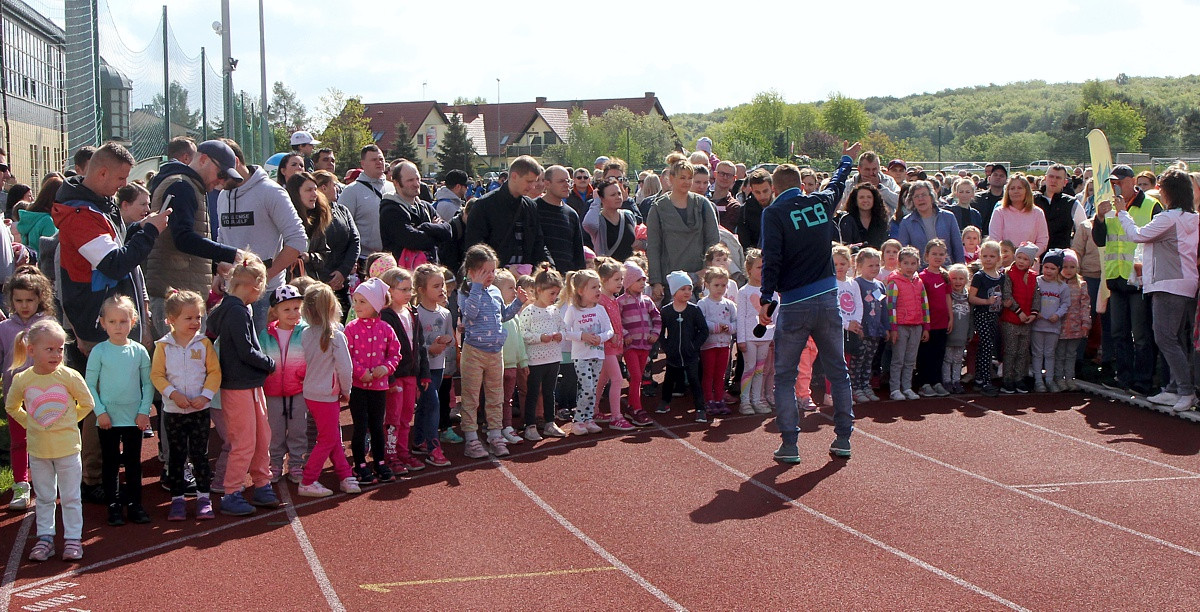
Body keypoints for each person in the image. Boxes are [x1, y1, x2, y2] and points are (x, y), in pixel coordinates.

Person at [54, 143, 168, 504]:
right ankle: (92, 478)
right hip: (93, 322)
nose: (122, 186)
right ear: (101, 173)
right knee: (95, 399)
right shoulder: (79, 213)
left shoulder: (94, 204)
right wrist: (148, 233)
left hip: (104, 317)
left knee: (111, 389)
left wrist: (138, 230)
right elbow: (114, 264)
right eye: (120, 178)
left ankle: (100, 471)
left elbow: (116, 256)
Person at [760, 143, 860, 463]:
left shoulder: (774, 213)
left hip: (794, 303)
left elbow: (771, 258)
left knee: (785, 376)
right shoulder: (819, 202)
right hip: (828, 298)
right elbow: (837, 183)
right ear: (802, 185)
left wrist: (765, 297)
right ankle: (843, 437)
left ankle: (790, 443)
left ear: (775, 189)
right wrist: (846, 160)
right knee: (838, 371)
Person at [6, 319, 95, 562]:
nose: (57, 354)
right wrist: (31, 424)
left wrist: (68, 422)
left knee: (70, 497)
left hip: (67, 449)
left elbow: (87, 403)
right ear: (31, 350)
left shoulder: (70, 376)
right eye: (50, 349)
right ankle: (45, 538)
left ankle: (73, 539)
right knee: (44, 497)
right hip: (38, 451)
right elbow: (11, 406)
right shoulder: (22, 379)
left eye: (60, 349)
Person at [1113, 168, 1197, 411]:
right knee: (1177, 338)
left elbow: (1137, 235)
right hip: (1185, 281)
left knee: (1165, 337)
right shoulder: (1193, 217)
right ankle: (1173, 388)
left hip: (1167, 283)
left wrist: (1122, 214)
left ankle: (1185, 390)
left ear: (1166, 191)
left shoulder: (1168, 218)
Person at [146, 139, 244, 334]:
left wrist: (215, 264)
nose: (222, 182)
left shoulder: (189, 185)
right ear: (204, 160)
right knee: (180, 363)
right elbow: (183, 238)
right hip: (175, 299)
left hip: (181, 297)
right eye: (221, 174)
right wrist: (231, 254)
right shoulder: (181, 185)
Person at [206, 256, 279, 516]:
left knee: (262, 436)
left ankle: (261, 483)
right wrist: (269, 363)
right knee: (244, 441)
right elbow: (246, 350)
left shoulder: (236, 307)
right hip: (237, 386)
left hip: (249, 383)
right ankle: (231, 492)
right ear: (255, 286)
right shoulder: (235, 310)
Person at [215, 140, 308, 331]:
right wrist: (218, 273)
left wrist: (263, 277)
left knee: (262, 356)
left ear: (235, 162)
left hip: (265, 295)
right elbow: (222, 237)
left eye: (219, 172)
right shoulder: (223, 195)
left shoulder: (270, 192)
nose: (216, 179)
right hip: (233, 294)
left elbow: (298, 239)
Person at [1092, 164, 1162, 394]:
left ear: (1132, 181)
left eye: (1120, 182)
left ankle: (1143, 380)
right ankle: (1123, 377)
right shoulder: (1109, 206)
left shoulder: (1151, 205)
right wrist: (1099, 218)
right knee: (1119, 332)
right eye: (1113, 182)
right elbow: (1101, 241)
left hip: (1139, 279)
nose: (1116, 186)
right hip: (1116, 276)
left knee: (1141, 334)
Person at [151, 289, 220, 519]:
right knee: (177, 457)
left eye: (198, 317)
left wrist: (205, 396)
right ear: (171, 320)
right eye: (188, 318)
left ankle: (203, 498)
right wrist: (173, 395)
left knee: (200, 455)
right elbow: (157, 375)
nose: (195, 322)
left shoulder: (204, 344)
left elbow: (214, 372)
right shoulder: (162, 346)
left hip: (200, 411)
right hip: (174, 412)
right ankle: (178, 500)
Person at [84, 295, 153, 526]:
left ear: (133, 321)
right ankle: (113, 506)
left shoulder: (140, 351)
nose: (117, 327)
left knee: (133, 463)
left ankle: (135, 504)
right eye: (112, 322)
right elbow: (89, 385)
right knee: (111, 463)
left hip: (134, 419)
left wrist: (144, 412)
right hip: (107, 420)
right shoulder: (99, 352)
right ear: (103, 323)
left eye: (123, 321)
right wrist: (100, 412)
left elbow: (148, 384)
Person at [458, 244, 524, 457]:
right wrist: (476, 287)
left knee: (496, 395)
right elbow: (469, 316)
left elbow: (502, 315)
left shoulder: (495, 291)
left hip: (496, 352)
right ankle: (471, 438)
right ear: (471, 272)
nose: (490, 275)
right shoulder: (466, 291)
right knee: (471, 396)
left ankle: (495, 434)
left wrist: (517, 304)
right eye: (484, 271)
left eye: (492, 271)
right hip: (474, 352)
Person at [0, 267, 55, 512]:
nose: (24, 305)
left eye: (30, 300)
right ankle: (21, 484)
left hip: (47, 396)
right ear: (11, 300)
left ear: (39, 299)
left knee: (47, 439)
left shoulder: (48, 325)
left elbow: (58, 357)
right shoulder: (4, 329)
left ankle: (49, 481)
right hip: (16, 396)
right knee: (19, 441)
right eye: (19, 300)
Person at [298, 283, 360, 497]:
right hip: (326, 395)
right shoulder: (336, 336)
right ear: (333, 307)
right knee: (326, 438)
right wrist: (347, 391)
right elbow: (346, 368)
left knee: (332, 435)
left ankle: (344, 474)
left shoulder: (305, 334)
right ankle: (308, 480)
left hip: (311, 393)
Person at [345, 277, 400, 485]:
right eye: (356, 300)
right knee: (360, 425)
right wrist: (360, 373)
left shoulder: (386, 329)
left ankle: (379, 461)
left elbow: (396, 354)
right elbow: (347, 356)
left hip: (379, 387)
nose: (356, 306)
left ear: (376, 305)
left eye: (362, 302)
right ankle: (359, 463)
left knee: (377, 425)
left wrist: (385, 368)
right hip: (358, 387)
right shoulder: (350, 328)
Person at [646, 154, 721, 302]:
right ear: (671, 178)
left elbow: (713, 240)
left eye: (689, 178)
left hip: (700, 278)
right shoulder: (658, 208)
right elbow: (653, 246)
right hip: (671, 280)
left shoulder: (703, 204)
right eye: (682, 177)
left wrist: (708, 270)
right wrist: (656, 281)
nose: (687, 182)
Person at [378, 267, 431, 473]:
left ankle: (402, 451)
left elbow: (420, 344)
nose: (409, 293)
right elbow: (382, 351)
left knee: (407, 415)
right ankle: (389, 454)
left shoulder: (412, 312)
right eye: (404, 289)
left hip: (411, 375)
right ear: (389, 291)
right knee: (393, 417)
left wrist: (424, 372)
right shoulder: (385, 316)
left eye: (410, 289)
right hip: (395, 376)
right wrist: (389, 377)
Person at [464, 156, 553, 273]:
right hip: (494, 279)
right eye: (529, 181)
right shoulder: (484, 205)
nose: (533, 186)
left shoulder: (530, 206)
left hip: (525, 280)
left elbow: (538, 244)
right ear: (514, 176)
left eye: (534, 181)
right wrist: (500, 271)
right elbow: (475, 250)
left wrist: (549, 266)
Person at [257, 285, 308, 484]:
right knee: (275, 431)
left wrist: (302, 374)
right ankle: (275, 463)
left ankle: (296, 463)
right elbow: (261, 358)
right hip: (273, 391)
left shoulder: (305, 332)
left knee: (298, 429)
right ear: (274, 311)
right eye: (286, 309)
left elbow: (310, 358)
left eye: (296, 308)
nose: (293, 313)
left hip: (298, 390)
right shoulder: (265, 334)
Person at [411, 264, 455, 463]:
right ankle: (433, 448)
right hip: (423, 368)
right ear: (421, 291)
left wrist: (446, 340)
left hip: (439, 366)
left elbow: (452, 338)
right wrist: (431, 349)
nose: (442, 289)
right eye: (436, 286)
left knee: (426, 404)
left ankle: (419, 440)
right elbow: (414, 345)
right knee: (433, 404)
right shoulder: (415, 314)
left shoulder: (445, 313)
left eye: (442, 285)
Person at [655, 270, 709, 421]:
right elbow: (660, 331)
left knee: (694, 381)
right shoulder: (666, 311)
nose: (687, 292)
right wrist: (666, 347)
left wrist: (694, 346)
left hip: (691, 355)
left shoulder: (694, 310)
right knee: (669, 380)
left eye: (689, 288)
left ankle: (700, 408)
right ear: (674, 292)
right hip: (673, 355)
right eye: (682, 289)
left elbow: (703, 330)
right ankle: (665, 402)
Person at [380, 160, 451, 267]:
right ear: (396, 183)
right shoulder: (390, 210)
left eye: (417, 179)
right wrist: (435, 231)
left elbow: (447, 231)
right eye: (410, 180)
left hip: (430, 272)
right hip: (403, 276)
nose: (416, 184)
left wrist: (425, 227)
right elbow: (412, 240)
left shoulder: (425, 207)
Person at [886, 246, 929, 401]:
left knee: (911, 359)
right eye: (906, 263)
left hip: (916, 325)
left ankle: (907, 387)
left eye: (913, 263)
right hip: (901, 326)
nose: (909, 267)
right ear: (899, 263)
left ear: (917, 264)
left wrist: (926, 326)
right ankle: (895, 388)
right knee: (898, 359)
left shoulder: (919, 282)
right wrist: (893, 328)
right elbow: (891, 307)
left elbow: (925, 305)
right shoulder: (894, 283)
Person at [339, 145, 394, 263]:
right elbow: (342, 229)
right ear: (363, 164)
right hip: (364, 259)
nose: (379, 163)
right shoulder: (351, 191)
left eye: (381, 159)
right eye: (374, 160)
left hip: (392, 257)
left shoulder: (394, 187)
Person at [1000, 243, 1039, 394]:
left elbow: (1036, 296)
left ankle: (1019, 378)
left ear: (1031, 262)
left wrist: (1033, 313)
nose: (1021, 261)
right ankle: (1007, 379)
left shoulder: (1034, 277)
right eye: (1019, 257)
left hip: (1027, 321)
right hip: (1011, 319)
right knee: (1011, 350)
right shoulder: (1009, 274)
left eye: (1025, 259)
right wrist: (1019, 312)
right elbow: (1007, 295)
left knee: (1023, 351)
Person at [697, 266, 737, 416]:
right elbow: (700, 323)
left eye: (723, 285)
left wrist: (730, 328)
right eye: (716, 285)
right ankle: (708, 400)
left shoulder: (730, 304)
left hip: (725, 345)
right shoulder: (703, 304)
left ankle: (719, 399)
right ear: (707, 285)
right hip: (708, 345)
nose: (720, 289)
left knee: (720, 374)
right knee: (708, 374)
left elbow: (736, 322)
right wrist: (715, 327)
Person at [897, 181, 966, 263]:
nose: (920, 199)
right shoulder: (906, 222)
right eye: (916, 196)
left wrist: (960, 268)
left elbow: (958, 247)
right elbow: (904, 253)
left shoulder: (948, 217)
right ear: (912, 200)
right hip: (921, 271)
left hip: (947, 269)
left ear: (931, 197)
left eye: (924, 195)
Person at [1029, 249, 1069, 392]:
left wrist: (1057, 315)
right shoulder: (1037, 281)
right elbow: (1031, 299)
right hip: (1038, 325)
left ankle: (1049, 380)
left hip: (1053, 326)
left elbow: (1065, 304)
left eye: (1053, 268)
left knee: (1050, 353)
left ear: (1058, 269)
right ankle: (1038, 380)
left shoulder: (1062, 286)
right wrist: (1035, 312)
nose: (1049, 271)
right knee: (1037, 353)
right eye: (1046, 267)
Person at [535, 165, 587, 274]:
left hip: (567, 279)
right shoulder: (533, 208)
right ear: (547, 183)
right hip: (542, 277)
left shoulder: (572, 215)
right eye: (561, 181)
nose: (567, 185)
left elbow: (578, 253)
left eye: (568, 181)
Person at [969, 240, 1004, 395]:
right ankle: (985, 379)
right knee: (986, 345)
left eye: (991, 256)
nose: (988, 259)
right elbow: (971, 297)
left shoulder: (1001, 277)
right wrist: (986, 302)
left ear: (998, 258)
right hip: (982, 314)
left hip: (994, 315)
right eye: (985, 256)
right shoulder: (979, 276)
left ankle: (979, 378)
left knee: (987, 347)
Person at [1055, 250, 1091, 391]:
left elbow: (1085, 306)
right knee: (1059, 353)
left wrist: (1085, 323)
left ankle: (1070, 378)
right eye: (1065, 267)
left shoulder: (1082, 285)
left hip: (1076, 326)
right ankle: (1058, 378)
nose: (1068, 270)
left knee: (1071, 354)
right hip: (1059, 325)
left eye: (1072, 267)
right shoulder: (1056, 284)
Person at [989, 175, 1049, 255]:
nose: (1016, 191)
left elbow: (1042, 241)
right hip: (1005, 262)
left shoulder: (1038, 213)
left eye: (1020, 188)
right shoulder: (999, 212)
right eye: (1012, 188)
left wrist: (1027, 257)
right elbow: (994, 240)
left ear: (1027, 191)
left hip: (1030, 262)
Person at [584, 178, 637, 261]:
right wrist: (596, 202)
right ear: (602, 198)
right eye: (613, 195)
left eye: (619, 193)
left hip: (629, 269)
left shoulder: (628, 215)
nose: (618, 197)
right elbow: (589, 224)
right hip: (609, 270)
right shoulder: (598, 219)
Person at [1037, 164, 1085, 250]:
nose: (1054, 181)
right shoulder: (1032, 200)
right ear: (1045, 178)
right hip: (1033, 258)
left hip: (1062, 258)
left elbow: (1083, 232)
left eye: (1058, 178)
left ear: (1065, 182)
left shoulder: (1073, 204)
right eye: (1051, 176)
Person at [18, 175, 62, 260]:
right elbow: (52, 252)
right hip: (44, 268)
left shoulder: (30, 217)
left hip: (30, 264)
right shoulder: (47, 221)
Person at [943, 264, 972, 394]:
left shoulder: (969, 297)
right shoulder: (948, 296)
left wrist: (970, 332)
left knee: (958, 359)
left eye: (961, 279)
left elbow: (971, 318)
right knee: (947, 358)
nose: (958, 282)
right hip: (950, 334)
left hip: (962, 335)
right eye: (954, 278)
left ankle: (956, 380)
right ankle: (946, 380)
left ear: (966, 280)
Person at [837, 182, 889, 250]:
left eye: (869, 197)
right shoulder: (847, 220)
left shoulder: (882, 219)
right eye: (861, 197)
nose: (865, 200)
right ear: (855, 200)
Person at [737, 169, 772, 250]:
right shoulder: (745, 211)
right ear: (751, 190)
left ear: (772, 187)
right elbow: (744, 244)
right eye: (757, 192)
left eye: (765, 191)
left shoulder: (780, 207)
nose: (762, 196)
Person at [972, 163, 1007, 233]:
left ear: (1006, 180)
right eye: (995, 175)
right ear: (989, 178)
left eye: (1001, 176)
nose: (998, 177)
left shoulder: (1010, 200)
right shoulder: (977, 199)